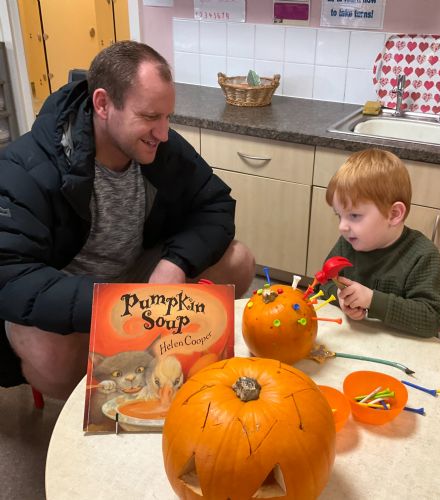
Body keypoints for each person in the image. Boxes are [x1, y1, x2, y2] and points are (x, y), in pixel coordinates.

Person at [0, 41, 255, 398]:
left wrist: (176, 263)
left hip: (135, 278)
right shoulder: (22, 167)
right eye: (150, 117)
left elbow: (215, 205)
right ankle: (104, 399)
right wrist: (119, 306)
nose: (163, 133)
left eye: (167, 117)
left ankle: (159, 362)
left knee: (239, 260)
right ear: (103, 104)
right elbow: (12, 276)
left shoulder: (162, 147)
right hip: (72, 293)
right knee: (51, 357)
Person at [320, 148, 440, 338]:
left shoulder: (422, 255)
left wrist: (372, 300)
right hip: (359, 339)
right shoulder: (347, 243)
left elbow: (431, 318)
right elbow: (323, 284)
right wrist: (341, 297)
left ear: (394, 214)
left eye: (354, 216)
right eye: (339, 216)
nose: (342, 227)